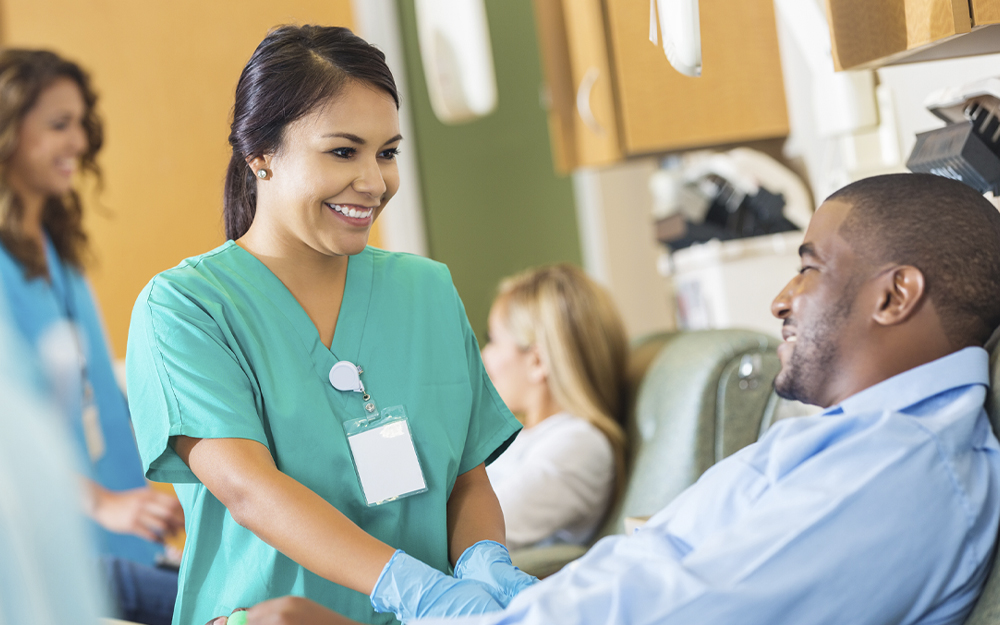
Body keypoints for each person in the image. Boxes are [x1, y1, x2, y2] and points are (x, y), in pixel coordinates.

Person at [216, 172, 1000, 625]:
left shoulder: (899, 470)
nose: (781, 299)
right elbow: (656, 574)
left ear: (896, 295)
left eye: (809, 265)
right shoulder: (849, 442)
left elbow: (685, 610)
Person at [125, 25, 532, 625]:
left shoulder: (428, 292)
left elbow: (465, 481)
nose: (373, 182)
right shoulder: (186, 308)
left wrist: (482, 559)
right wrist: (411, 586)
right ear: (259, 153)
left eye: (387, 152)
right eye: (343, 151)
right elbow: (248, 490)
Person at [0, 49, 183, 624]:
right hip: (67, 539)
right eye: (59, 125)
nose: (78, 142)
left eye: (81, 124)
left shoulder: (55, 244)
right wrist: (102, 505)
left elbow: (95, 384)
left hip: (128, 528)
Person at [481, 264, 628, 549]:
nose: (485, 356)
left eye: (494, 340)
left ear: (536, 361)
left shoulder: (579, 445)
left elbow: (474, 534)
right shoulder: (526, 436)